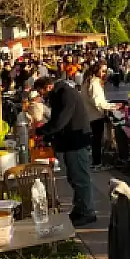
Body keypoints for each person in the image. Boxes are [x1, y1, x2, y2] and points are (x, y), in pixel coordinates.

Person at [39, 63, 96, 227]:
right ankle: (79, 209)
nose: (43, 96)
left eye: (43, 92)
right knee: (74, 178)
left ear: (49, 86)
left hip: (76, 142)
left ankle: (87, 211)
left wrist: (43, 131)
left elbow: (61, 120)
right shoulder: (59, 94)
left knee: (81, 178)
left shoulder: (66, 94)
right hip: (70, 142)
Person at [84, 63, 113, 170]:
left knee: (96, 139)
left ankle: (96, 161)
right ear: (96, 71)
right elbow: (97, 101)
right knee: (97, 139)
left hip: (91, 114)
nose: (104, 74)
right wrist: (110, 107)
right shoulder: (93, 83)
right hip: (95, 115)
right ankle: (97, 163)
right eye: (103, 71)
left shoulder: (88, 81)